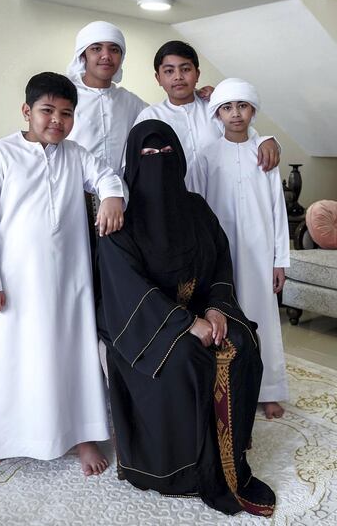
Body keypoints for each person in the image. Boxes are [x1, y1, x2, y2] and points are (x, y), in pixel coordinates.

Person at [96, 119, 275, 517]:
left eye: (166, 154)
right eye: (148, 155)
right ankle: (182, 470)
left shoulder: (195, 207)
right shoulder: (121, 217)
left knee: (243, 344)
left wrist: (215, 308)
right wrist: (184, 324)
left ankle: (230, 456)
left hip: (200, 310)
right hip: (142, 322)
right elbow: (124, 288)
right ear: (133, 164)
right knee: (185, 359)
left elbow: (219, 265)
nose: (158, 161)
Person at [0, 72, 126, 475]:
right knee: (14, 359)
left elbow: (107, 176)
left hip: (70, 280)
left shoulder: (76, 154)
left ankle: (83, 436)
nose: (57, 119)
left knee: (75, 356)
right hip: (16, 283)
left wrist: (110, 198)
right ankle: (2, 436)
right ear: (27, 111)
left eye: (66, 113)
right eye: (47, 110)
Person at [198, 78, 290, 419]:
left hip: (259, 251)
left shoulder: (265, 153)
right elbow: (200, 207)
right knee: (223, 315)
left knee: (262, 316)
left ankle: (269, 389)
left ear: (253, 110)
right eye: (227, 107)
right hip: (219, 253)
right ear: (217, 114)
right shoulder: (207, 155)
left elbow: (277, 209)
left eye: (242, 106)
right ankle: (225, 386)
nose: (235, 114)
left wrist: (280, 260)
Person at [134, 40, 280, 194]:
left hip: (223, 196)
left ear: (197, 74)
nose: (178, 77)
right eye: (169, 71)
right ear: (158, 78)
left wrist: (264, 142)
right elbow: (136, 165)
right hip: (172, 202)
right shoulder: (150, 118)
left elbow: (244, 138)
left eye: (185, 69)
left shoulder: (215, 109)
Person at [66, 21, 148, 173]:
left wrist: (197, 95)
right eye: (96, 49)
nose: (106, 56)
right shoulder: (65, 96)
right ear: (83, 55)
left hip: (119, 192)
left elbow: (166, 116)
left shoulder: (131, 102)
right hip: (74, 190)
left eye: (114, 49)